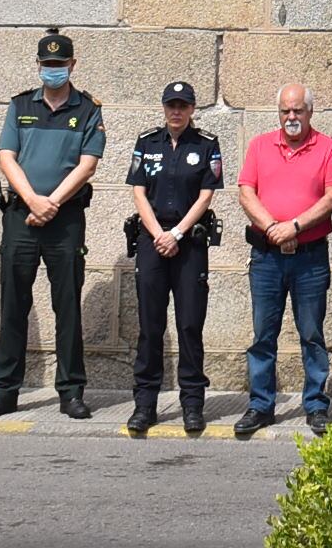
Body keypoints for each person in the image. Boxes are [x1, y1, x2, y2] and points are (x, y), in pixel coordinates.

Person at [0, 29, 105, 420]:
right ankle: (5, 391)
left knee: (67, 306)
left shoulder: (87, 109)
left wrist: (51, 203)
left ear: (72, 65)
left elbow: (88, 164)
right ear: (38, 66)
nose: (53, 70)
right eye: (47, 65)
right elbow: (6, 157)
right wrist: (34, 200)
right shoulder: (20, 106)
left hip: (64, 220)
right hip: (21, 216)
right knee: (13, 305)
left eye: (60, 65)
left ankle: (71, 392)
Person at [234, 84, 332, 440]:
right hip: (266, 257)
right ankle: (261, 405)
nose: (291, 117)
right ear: (278, 113)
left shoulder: (328, 148)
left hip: (310, 258)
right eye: (285, 111)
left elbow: (331, 199)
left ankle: (315, 405)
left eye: (298, 111)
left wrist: (294, 226)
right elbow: (246, 191)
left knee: (312, 334)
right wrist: (272, 228)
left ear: (310, 112)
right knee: (264, 334)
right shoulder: (260, 146)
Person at [123, 78, 222, 437]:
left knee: (189, 326)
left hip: (189, 243)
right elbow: (138, 192)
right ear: (164, 108)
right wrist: (158, 235)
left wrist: (177, 234)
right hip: (153, 239)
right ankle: (145, 405)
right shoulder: (146, 142)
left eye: (183, 105)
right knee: (150, 327)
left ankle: (192, 404)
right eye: (171, 105)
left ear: (193, 109)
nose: (176, 111)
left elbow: (205, 196)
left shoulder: (207, 144)